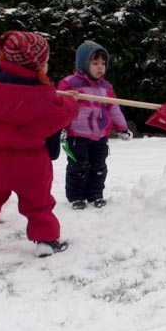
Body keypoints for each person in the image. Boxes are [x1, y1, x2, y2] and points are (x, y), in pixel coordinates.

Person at [0, 31, 79, 257]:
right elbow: (58, 115)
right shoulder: (44, 96)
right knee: (38, 203)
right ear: (36, 64)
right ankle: (45, 241)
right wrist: (71, 102)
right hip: (31, 162)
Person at [58, 40, 132, 210]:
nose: (100, 67)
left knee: (99, 166)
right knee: (79, 166)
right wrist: (66, 105)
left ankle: (95, 194)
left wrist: (122, 128)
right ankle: (76, 197)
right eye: (95, 63)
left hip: (100, 135)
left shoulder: (106, 87)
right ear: (84, 64)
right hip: (76, 135)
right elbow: (60, 107)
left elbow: (114, 108)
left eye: (103, 63)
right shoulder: (70, 84)